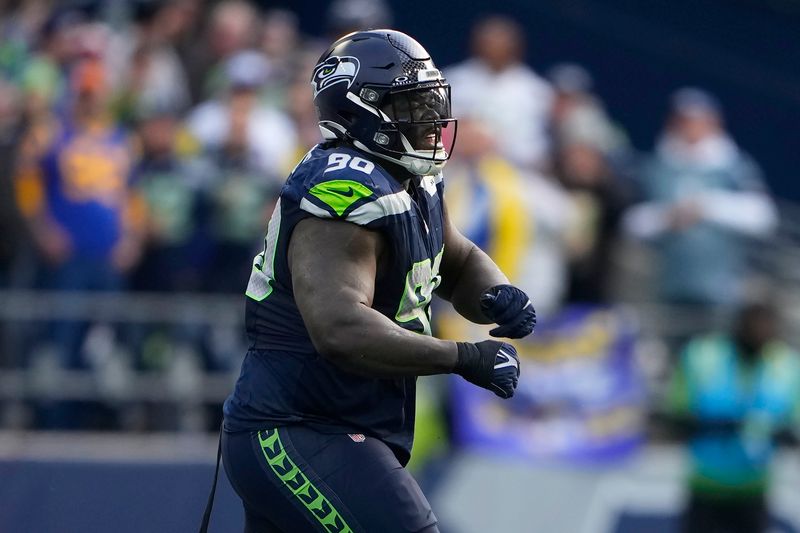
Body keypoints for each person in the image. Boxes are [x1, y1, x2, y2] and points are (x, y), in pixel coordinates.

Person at [219, 30, 536, 532]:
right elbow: (340, 329)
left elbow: (453, 259)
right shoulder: (342, 190)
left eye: (432, 101)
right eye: (413, 104)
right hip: (296, 426)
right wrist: (462, 358)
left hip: (341, 421)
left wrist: (498, 293)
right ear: (362, 110)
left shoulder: (409, 177)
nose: (432, 118)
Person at [623, 88, 777, 331]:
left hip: (723, 294)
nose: (689, 128)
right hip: (666, 288)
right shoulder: (656, 167)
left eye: (696, 121)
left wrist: (706, 208)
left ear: (713, 123)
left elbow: (762, 216)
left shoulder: (734, 168)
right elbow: (631, 222)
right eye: (683, 121)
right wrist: (668, 218)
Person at [666, 302, 800, 533]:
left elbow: (794, 428)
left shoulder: (787, 365)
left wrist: (777, 432)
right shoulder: (702, 355)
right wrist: (716, 425)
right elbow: (676, 416)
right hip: (706, 485)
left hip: (755, 488)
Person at [445, 15, 553, 170]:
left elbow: (536, 145)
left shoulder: (537, 90)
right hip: (460, 166)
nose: (494, 47)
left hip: (519, 171)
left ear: (515, 46)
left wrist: (494, 144)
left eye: (501, 42)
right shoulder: (454, 80)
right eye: (489, 41)